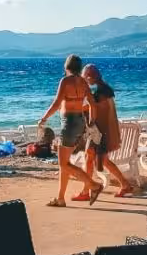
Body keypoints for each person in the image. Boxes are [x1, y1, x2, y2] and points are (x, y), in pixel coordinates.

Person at [39, 54, 103, 208]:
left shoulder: (65, 81)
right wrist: (91, 121)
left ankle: (93, 185)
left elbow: (56, 102)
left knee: (63, 164)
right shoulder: (82, 81)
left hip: (69, 123)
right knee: (65, 163)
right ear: (79, 67)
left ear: (66, 66)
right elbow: (93, 104)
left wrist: (44, 118)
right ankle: (60, 199)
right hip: (80, 122)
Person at [71, 64, 134, 201]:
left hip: (99, 133)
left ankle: (87, 191)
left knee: (95, 160)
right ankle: (123, 185)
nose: (85, 81)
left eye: (85, 78)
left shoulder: (100, 93)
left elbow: (87, 108)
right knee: (97, 160)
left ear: (89, 77)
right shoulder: (104, 89)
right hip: (103, 131)